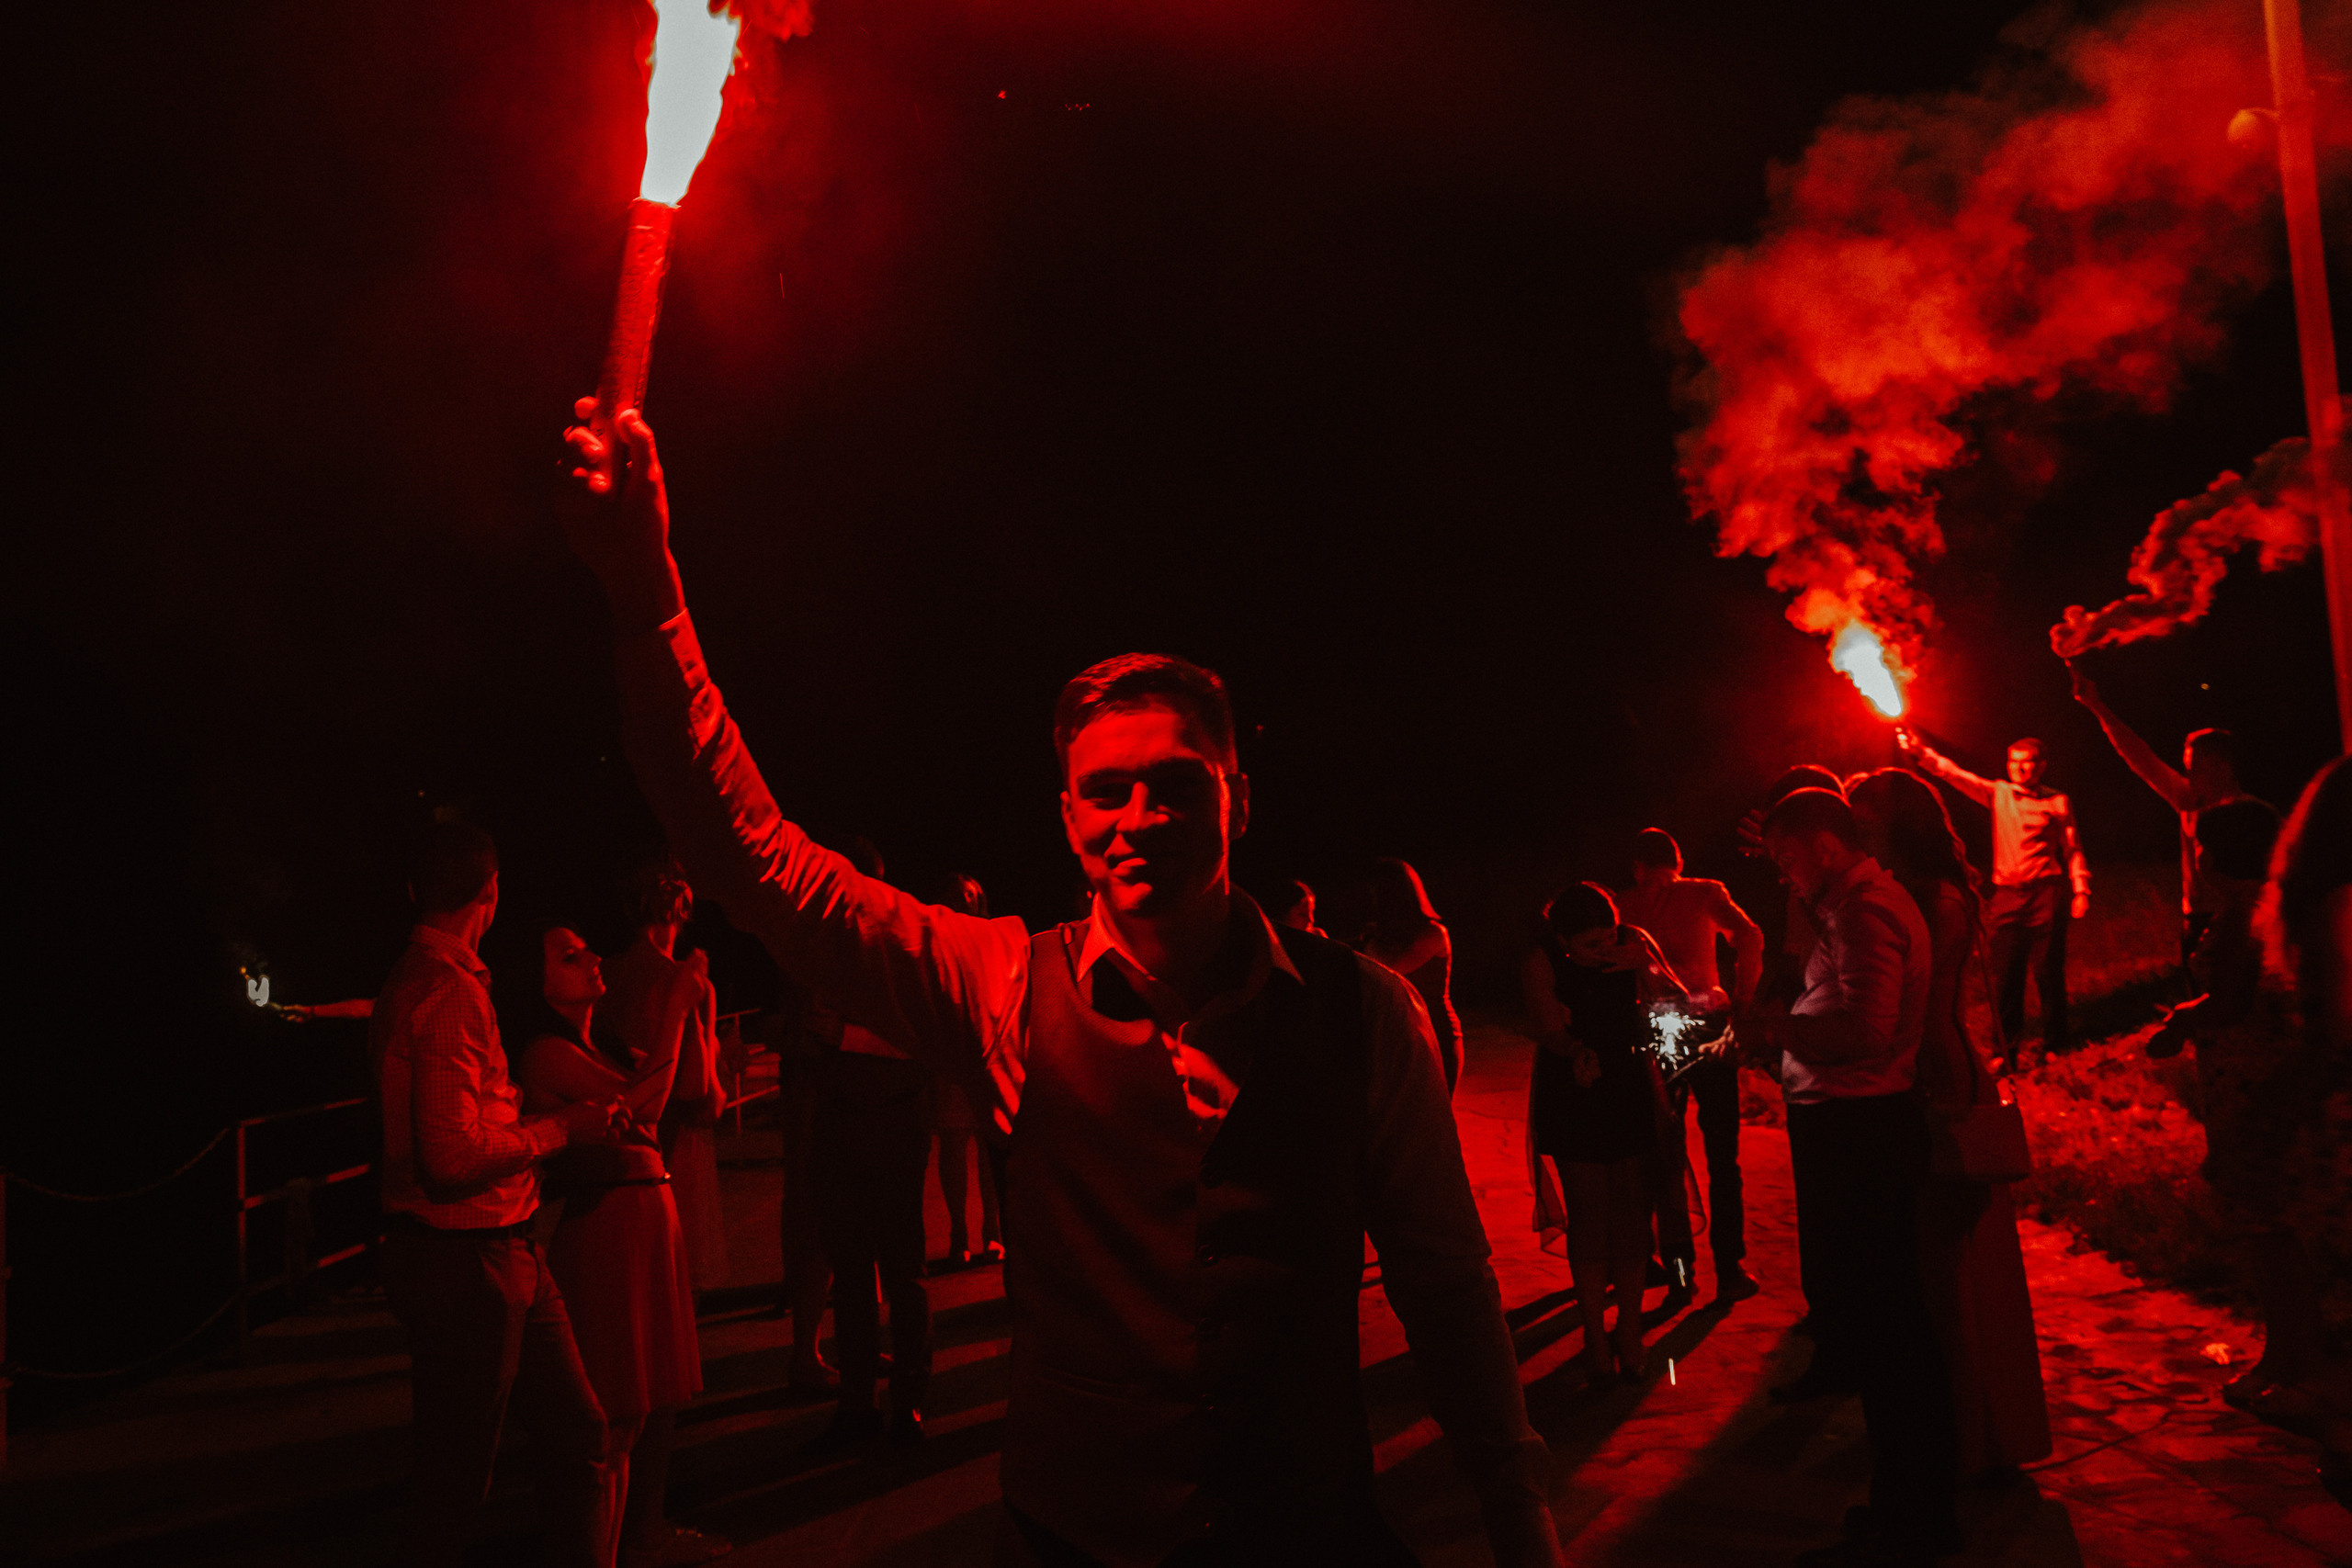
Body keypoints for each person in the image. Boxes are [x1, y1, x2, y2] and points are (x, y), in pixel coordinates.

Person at [561, 405, 1564, 1567]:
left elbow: (1446, 1281)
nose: (1138, 818)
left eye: (1174, 784)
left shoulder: (1364, 1014)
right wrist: (647, 600)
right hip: (1071, 1542)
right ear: (1066, 816)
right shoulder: (997, 984)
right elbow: (756, 860)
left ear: (1237, 795)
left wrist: (1516, 1503)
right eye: (1106, 791)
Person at [368, 821, 617, 1568]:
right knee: (455, 1480)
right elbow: (448, 1155)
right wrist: (561, 1130)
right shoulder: (448, 995)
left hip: (502, 1249)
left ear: (417, 890)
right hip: (466, 1261)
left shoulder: (413, 976)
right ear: (491, 894)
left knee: (579, 1435)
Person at [1747, 789, 1956, 1567]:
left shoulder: (1865, 911)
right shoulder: (1850, 905)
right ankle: (1908, 1502)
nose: (1784, 872)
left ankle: (1918, 1514)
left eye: (1787, 856)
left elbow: (1866, 1029)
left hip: (1862, 1131)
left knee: (1891, 1329)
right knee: (1884, 1325)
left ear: (1824, 845)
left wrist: (1777, 1028)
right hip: (1856, 1127)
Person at [1847, 771, 2051, 1476]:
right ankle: (1975, 1430)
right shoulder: (1924, 890)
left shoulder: (1929, 898)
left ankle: (1968, 1436)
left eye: (1864, 821)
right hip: (1944, 1065)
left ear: (1898, 824)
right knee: (1946, 1267)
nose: (1855, 833)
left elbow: (1918, 1003)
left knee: (1950, 1272)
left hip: (1940, 1074)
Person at [516, 926, 729, 1568]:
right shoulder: (545, 1052)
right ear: (541, 983)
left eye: (586, 948)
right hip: (606, 1228)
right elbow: (645, 1101)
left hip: (643, 1221)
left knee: (637, 1415)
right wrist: (672, 1006)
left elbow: (690, 1093)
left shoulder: (601, 1042)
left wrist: (699, 1009)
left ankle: (630, 1538)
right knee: (606, 1420)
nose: (592, 959)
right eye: (569, 956)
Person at [2144, 797, 2324, 1414]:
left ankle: (2297, 1365)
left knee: (2266, 1231)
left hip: (2250, 1090)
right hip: (2271, 1079)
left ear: (2215, 853)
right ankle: (2289, 1357)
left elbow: (2226, 1001)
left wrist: (2176, 1025)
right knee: (2278, 1227)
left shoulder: (2240, 916)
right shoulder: (2280, 904)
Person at [1521, 883, 1684, 1386]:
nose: (1602, 950)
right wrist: (1574, 1052)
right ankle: (1594, 1337)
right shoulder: (1543, 959)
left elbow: (1677, 1005)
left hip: (1630, 1084)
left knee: (1633, 1214)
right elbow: (1549, 1028)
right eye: (1589, 945)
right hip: (1575, 1086)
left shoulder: (1633, 943)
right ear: (1564, 940)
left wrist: (1645, 967)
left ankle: (1629, 1331)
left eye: (1608, 937)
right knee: (1590, 1216)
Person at [807, 835, 938, 1448]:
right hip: (839, 1118)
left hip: (893, 1117)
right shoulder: (820, 948)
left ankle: (908, 1399)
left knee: (902, 1269)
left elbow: (925, 1041)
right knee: (854, 1273)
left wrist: (843, 1036)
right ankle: (856, 1401)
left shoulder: (902, 946)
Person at [1616, 828, 1764, 1305]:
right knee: (1723, 1152)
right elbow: (1751, 935)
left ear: (1639, 867)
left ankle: (1680, 1273)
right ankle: (1730, 1269)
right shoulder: (1705, 892)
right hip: (1707, 1019)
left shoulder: (1624, 905)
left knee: (1665, 1154)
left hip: (1661, 1028)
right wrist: (1742, 995)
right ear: (1677, 862)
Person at [1897, 731, 2090, 1066]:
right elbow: (1953, 774)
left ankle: (2056, 1044)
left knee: (2047, 972)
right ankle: (2005, 1050)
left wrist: (2081, 889)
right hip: (2008, 894)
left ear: (2041, 766)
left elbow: (2072, 848)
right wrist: (1921, 751)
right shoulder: (1998, 793)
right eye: (2013, 762)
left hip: (2047, 890)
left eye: (2027, 762)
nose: (2020, 769)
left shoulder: (2057, 801)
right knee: (2005, 976)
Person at [603, 856, 730, 1292]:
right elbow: (700, 1092)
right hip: (677, 1147)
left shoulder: (606, 974)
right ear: (680, 905)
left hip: (616, 1142)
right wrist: (712, 1046)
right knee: (676, 1292)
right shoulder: (683, 980)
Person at [2067, 663, 2246, 964]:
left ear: (2222, 764)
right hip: (2196, 920)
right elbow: (2139, 756)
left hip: (2235, 922)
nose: (2187, 771)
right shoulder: (2189, 799)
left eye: (2196, 765)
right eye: (2187, 764)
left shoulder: (2247, 813)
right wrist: (2096, 707)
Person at [932, 873, 1004, 1269]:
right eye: (960, 897)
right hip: (951, 1055)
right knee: (954, 1146)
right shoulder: (936, 936)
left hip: (988, 1051)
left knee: (990, 1147)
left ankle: (992, 1231)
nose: (968, 903)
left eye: (973, 896)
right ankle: (958, 1231)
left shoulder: (993, 935)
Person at [1362, 858, 1465, 1093]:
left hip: (1435, 1034)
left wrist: (1369, 944)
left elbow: (1390, 967)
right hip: (1399, 1034)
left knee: (1435, 1121)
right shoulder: (1382, 937)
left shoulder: (1434, 933)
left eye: (1376, 894)